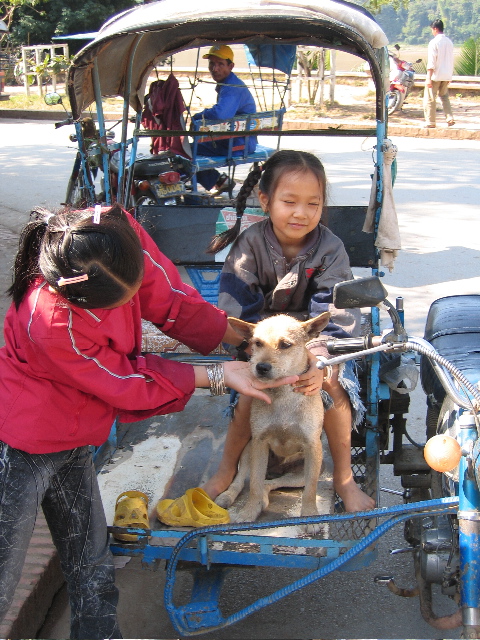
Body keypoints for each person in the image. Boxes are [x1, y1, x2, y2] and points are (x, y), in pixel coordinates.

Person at [0, 204, 300, 639]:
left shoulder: (112, 233)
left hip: (77, 434)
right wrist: (215, 375)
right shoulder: (52, 321)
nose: (135, 304)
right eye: (121, 304)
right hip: (26, 443)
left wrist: (248, 343)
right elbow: (125, 382)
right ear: (79, 300)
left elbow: (171, 297)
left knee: (93, 566)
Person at [202, 150, 376, 513]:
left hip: (316, 341)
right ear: (265, 200)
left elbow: (335, 316)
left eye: (313, 203)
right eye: (289, 201)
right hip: (263, 344)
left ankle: (343, 477)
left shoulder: (330, 249)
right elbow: (238, 317)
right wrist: (260, 354)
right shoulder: (248, 247)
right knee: (251, 394)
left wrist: (318, 362)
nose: (301, 212)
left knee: (331, 386)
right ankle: (226, 469)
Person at [192, 44, 257, 194]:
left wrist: (200, 115)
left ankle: (217, 182)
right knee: (190, 147)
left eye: (220, 64)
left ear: (231, 66)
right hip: (236, 139)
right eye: (212, 64)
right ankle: (220, 181)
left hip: (239, 143)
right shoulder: (229, 84)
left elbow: (221, 114)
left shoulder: (232, 87)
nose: (215, 69)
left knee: (185, 152)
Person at [424, 19, 455, 128]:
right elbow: (451, 59)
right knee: (444, 97)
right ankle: (449, 117)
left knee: (430, 98)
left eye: (432, 29)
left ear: (435, 29)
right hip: (446, 75)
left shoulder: (434, 42)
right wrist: (450, 75)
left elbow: (432, 61)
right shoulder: (449, 42)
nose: (432, 32)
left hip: (436, 75)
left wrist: (428, 77)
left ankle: (430, 122)